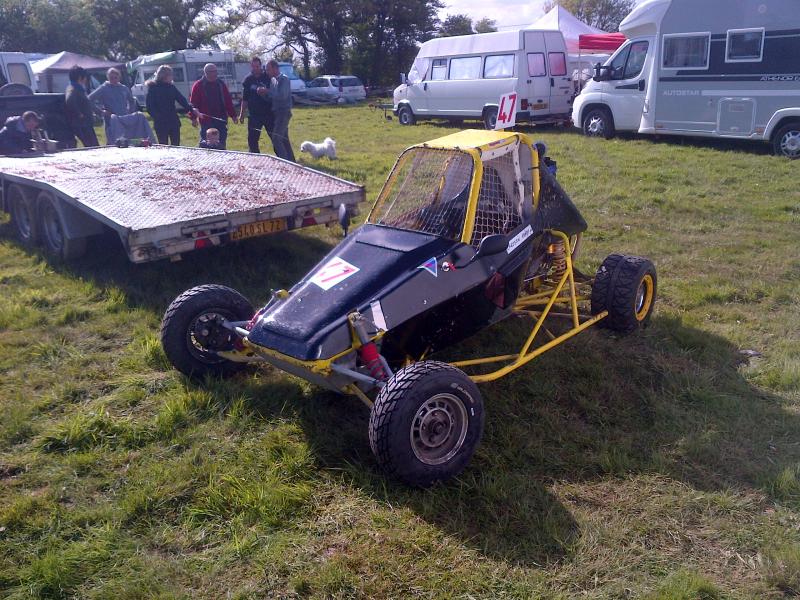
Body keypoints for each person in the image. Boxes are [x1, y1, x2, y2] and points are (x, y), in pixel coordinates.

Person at [189, 63, 238, 149]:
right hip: (206, 121)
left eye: (216, 71)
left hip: (221, 119)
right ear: (206, 73)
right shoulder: (198, 85)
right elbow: (193, 103)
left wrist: (233, 115)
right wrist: (193, 118)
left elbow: (228, 101)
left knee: (221, 144)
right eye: (212, 72)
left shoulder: (221, 84)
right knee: (206, 145)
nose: (215, 74)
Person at [145, 65, 196, 145]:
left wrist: (192, 109)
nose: (172, 77)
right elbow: (150, 107)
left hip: (173, 121)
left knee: (176, 145)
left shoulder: (171, 87)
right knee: (163, 145)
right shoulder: (153, 88)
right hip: (160, 123)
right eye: (171, 75)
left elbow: (182, 100)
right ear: (164, 76)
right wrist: (158, 117)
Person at [89, 67, 137, 141]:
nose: (113, 80)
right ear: (108, 77)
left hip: (124, 119)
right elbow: (89, 99)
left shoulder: (124, 88)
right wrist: (100, 112)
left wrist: (130, 112)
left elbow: (131, 100)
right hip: (110, 120)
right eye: (111, 78)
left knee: (126, 141)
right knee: (113, 141)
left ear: (119, 78)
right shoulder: (104, 88)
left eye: (115, 77)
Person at [238, 56, 273, 153]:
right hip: (254, 115)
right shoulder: (248, 80)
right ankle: (255, 158)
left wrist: (266, 91)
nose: (255, 68)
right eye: (253, 66)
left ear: (260, 66)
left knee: (275, 138)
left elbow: (275, 92)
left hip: (269, 113)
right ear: (251, 66)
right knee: (252, 140)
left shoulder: (268, 77)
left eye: (257, 66)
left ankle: (282, 157)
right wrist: (241, 114)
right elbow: (245, 98)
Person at [265, 59, 295, 162]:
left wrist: (267, 91)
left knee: (276, 138)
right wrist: (263, 93)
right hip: (277, 113)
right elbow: (272, 97)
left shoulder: (284, 79)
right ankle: (292, 162)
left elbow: (282, 96)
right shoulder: (273, 80)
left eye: (268, 69)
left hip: (283, 112)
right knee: (284, 139)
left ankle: (284, 163)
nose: (267, 72)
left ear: (275, 68)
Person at [65, 65, 99, 148]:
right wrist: (79, 114)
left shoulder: (77, 88)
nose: (86, 79)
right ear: (80, 77)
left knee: (93, 145)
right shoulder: (73, 88)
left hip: (85, 123)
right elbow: (69, 101)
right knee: (93, 146)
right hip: (82, 124)